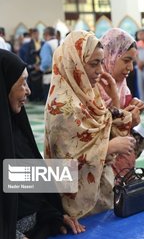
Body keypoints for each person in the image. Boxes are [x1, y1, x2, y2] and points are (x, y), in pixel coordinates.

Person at [44, 30, 135, 219]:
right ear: (74, 63)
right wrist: (108, 148)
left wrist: (115, 99)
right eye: (94, 64)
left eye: (101, 62)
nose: (100, 70)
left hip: (102, 193)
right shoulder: (62, 106)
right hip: (76, 206)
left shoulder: (88, 94)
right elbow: (62, 165)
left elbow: (107, 126)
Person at [0, 49, 84, 239]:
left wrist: (53, 216)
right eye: (22, 83)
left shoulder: (16, 129)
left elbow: (22, 183)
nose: (28, 90)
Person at [100, 28, 144, 171]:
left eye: (132, 61)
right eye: (126, 60)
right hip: (100, 169)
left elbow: (129, 131)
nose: (131, 68)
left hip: (123, 166)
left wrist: (134, 116)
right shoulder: (91, 91)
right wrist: (125, 120)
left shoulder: (123, 88)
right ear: (109, 56)